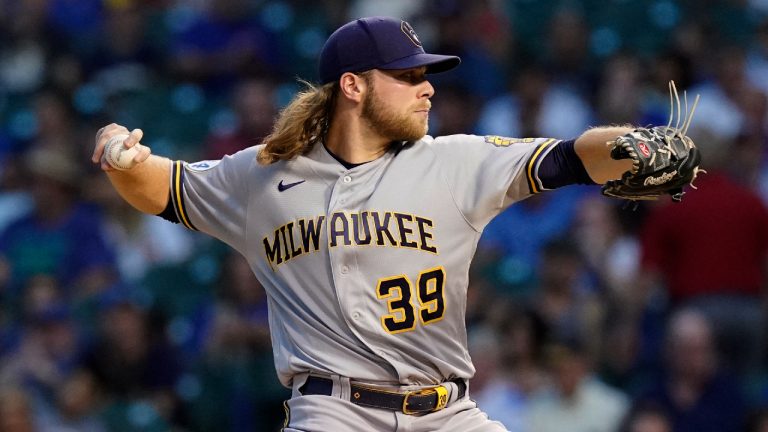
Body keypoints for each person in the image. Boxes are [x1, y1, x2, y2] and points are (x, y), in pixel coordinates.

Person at [90, 16, 688, 432]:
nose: (427, 87)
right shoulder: (263, 176)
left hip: (448, 411)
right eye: (407, 76)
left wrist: (631, 145)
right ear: (352, 86)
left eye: (424, 73)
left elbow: (569, 157)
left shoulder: (456, 161)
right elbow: (162, 187)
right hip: (332, 413)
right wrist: (119, 151)